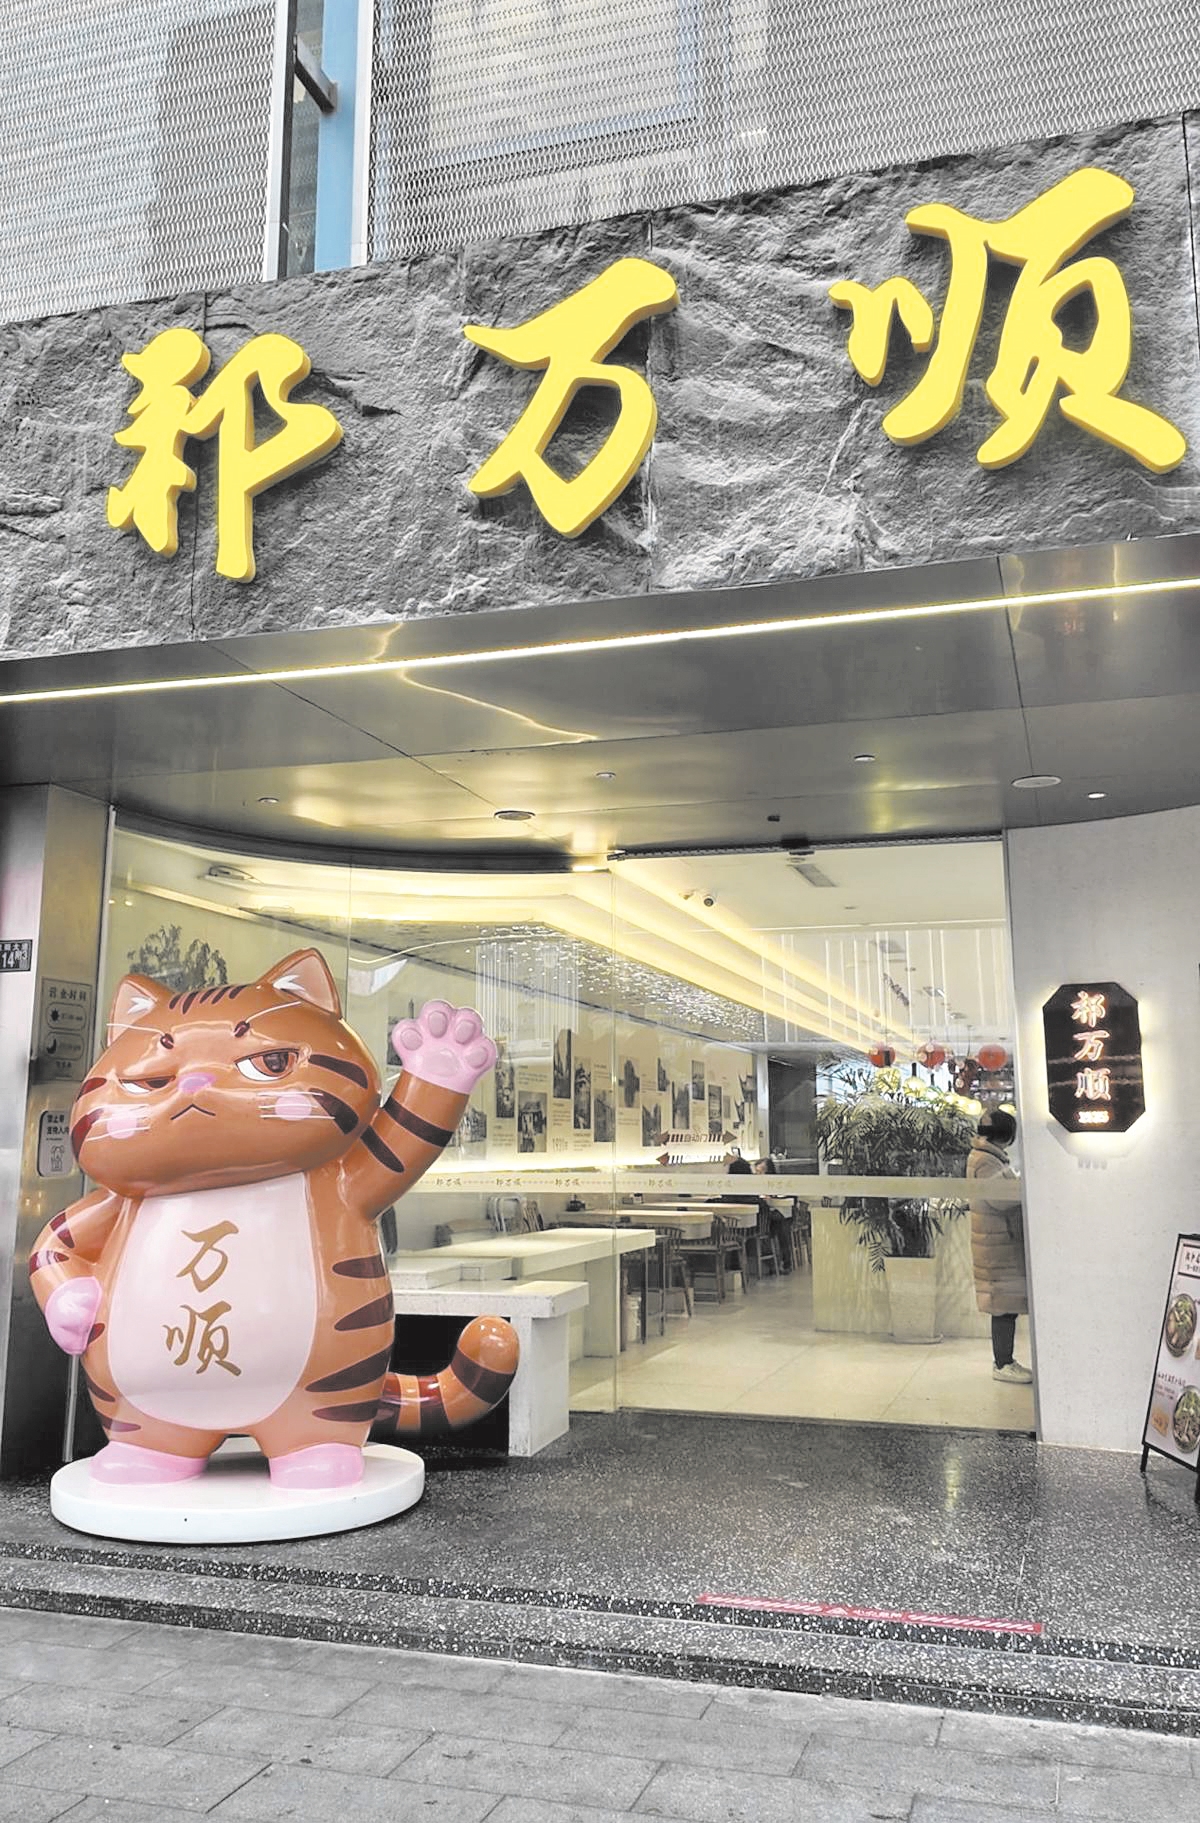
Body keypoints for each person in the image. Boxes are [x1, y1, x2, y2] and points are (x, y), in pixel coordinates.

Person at [967, 1108, 1032, 1384]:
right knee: (1003, 1306)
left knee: (1005, 1304)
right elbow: (999, 1199)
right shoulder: (986, 1161)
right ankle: (1003, 1363)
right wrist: (1022, 1189)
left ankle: (1005, 1360)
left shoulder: (988, 1157)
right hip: (996, 1243)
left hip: (997, 1241)